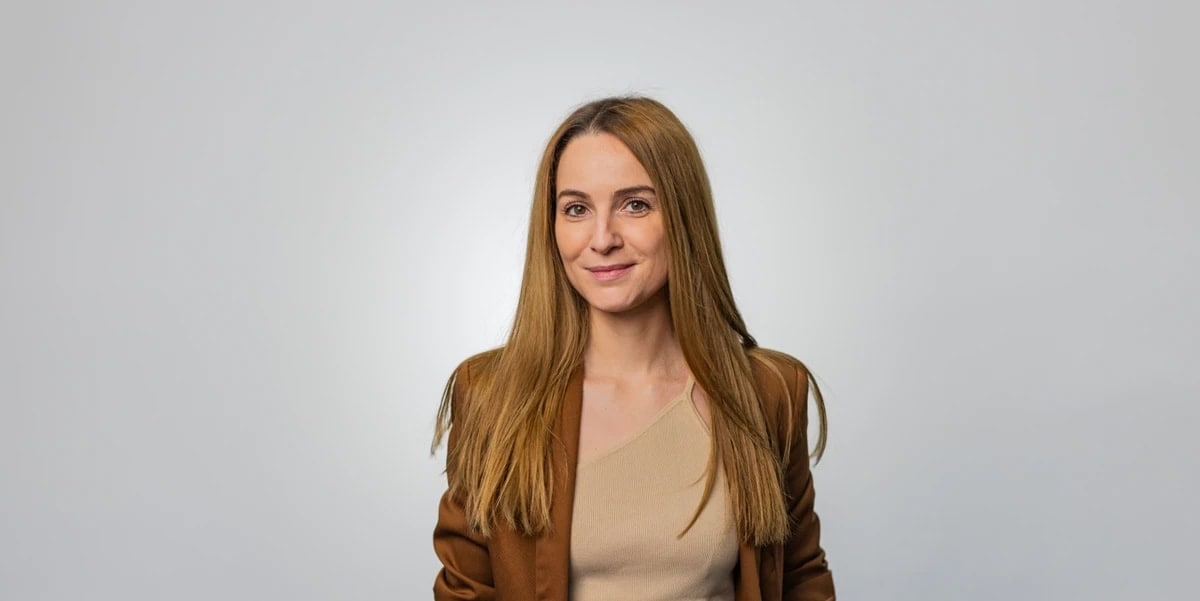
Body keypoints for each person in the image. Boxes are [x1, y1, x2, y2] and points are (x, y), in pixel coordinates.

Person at [431, 96, 835, 601]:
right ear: (552, 226)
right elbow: (466, 590)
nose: (602, 239)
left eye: (635, 204)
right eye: (576, 209)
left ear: (683, 217)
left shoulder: (768, 391)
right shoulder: (493, 395)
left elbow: (800, 578)